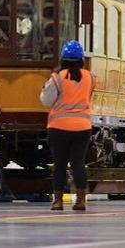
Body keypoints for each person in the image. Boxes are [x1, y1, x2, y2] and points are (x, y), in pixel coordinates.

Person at [40, 40, 95, 211]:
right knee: (78, 164)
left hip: (59, 128)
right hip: (83, 128)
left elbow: (45, 100)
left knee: (60, 164)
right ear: (81, 59)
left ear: (63, 59)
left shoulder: (57, 78)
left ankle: (58, 201)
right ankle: (80, 201)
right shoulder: (90, 77)